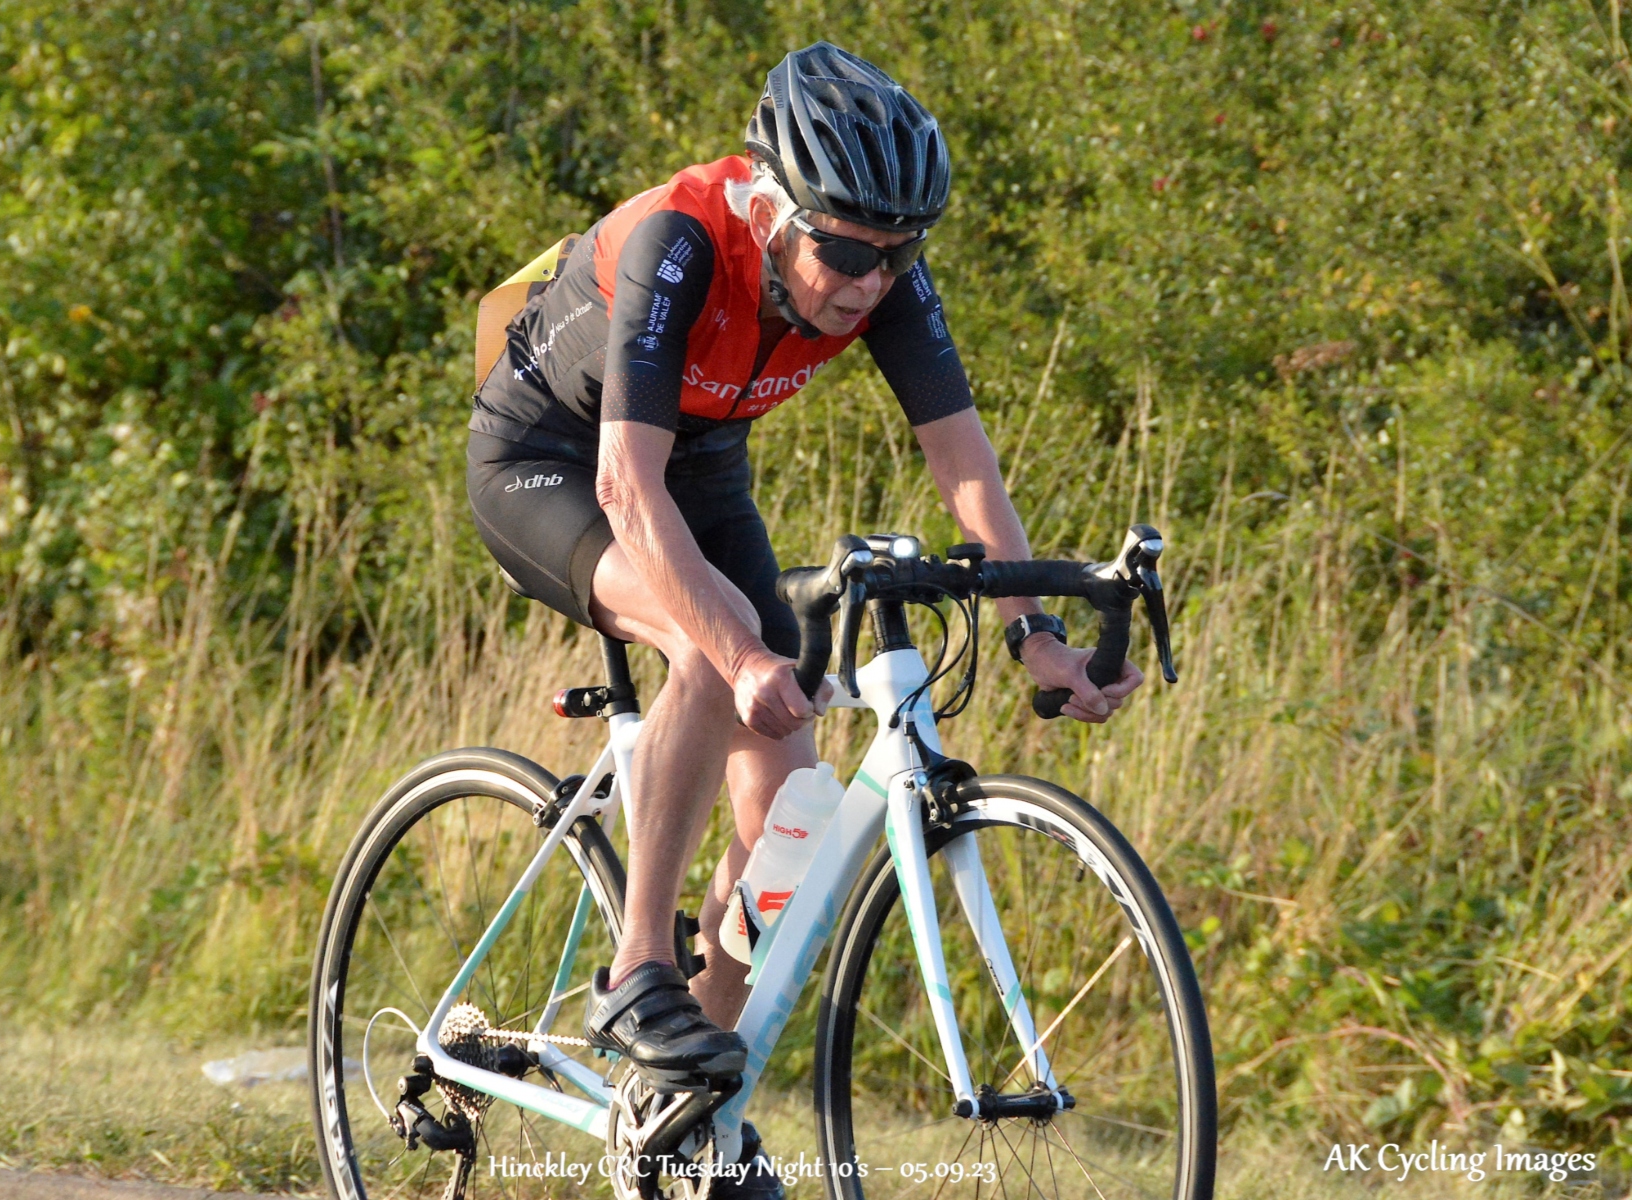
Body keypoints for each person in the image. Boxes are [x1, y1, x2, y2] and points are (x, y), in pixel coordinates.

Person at [466, 41, 1142, 1195]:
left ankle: (686, 1112)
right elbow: (627, 485)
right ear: (774, 210)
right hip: (553, 464)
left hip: (699, 463)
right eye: (846, 251)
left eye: (898, 253)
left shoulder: (881, 272)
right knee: (712, 639)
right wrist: (733, 650)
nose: (869, 280)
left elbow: (965, 467)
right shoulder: (682, 242)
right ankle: (638, 969)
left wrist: (1034, 635)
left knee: (789, 809)